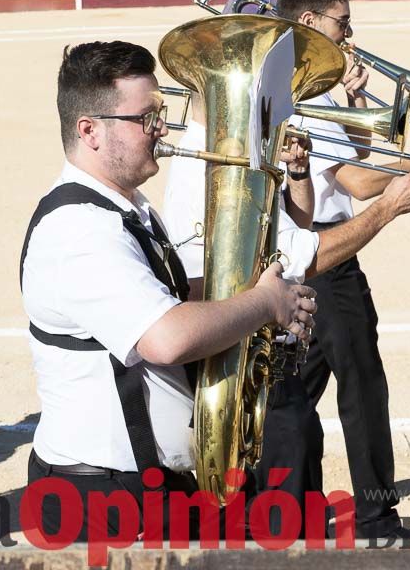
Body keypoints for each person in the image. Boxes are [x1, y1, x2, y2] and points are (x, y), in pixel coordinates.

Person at [22, 40, 317, 539]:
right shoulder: (79, 230)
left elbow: (173, 297)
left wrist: (263, 289)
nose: (162, 129)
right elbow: (165, 338)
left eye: (161, 113)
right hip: (104, 501)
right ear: (89, 130)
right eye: (146, 119)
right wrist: (264, 302)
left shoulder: (129, 208)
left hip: (150, 491)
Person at [163, 93, 410, 536]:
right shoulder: (207, 165)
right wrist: (387, 207)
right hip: (245, 341)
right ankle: (363, 519)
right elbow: (298, 253)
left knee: (301, 431)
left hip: (265, 337)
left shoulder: (239, 151)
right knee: (296, 435)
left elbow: (293, 227)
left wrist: (298, 175)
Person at [274, 0, 410, 538]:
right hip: (329, 261)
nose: (350, 33)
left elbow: (345, 158)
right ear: (310, 22)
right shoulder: (302, 92)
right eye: (342, 22)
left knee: (295, 388)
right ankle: (377, 516)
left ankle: (289, 509)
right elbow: (355, 183)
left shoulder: (285, 79)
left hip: (295, 255)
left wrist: (354, 99)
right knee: (363, 391)